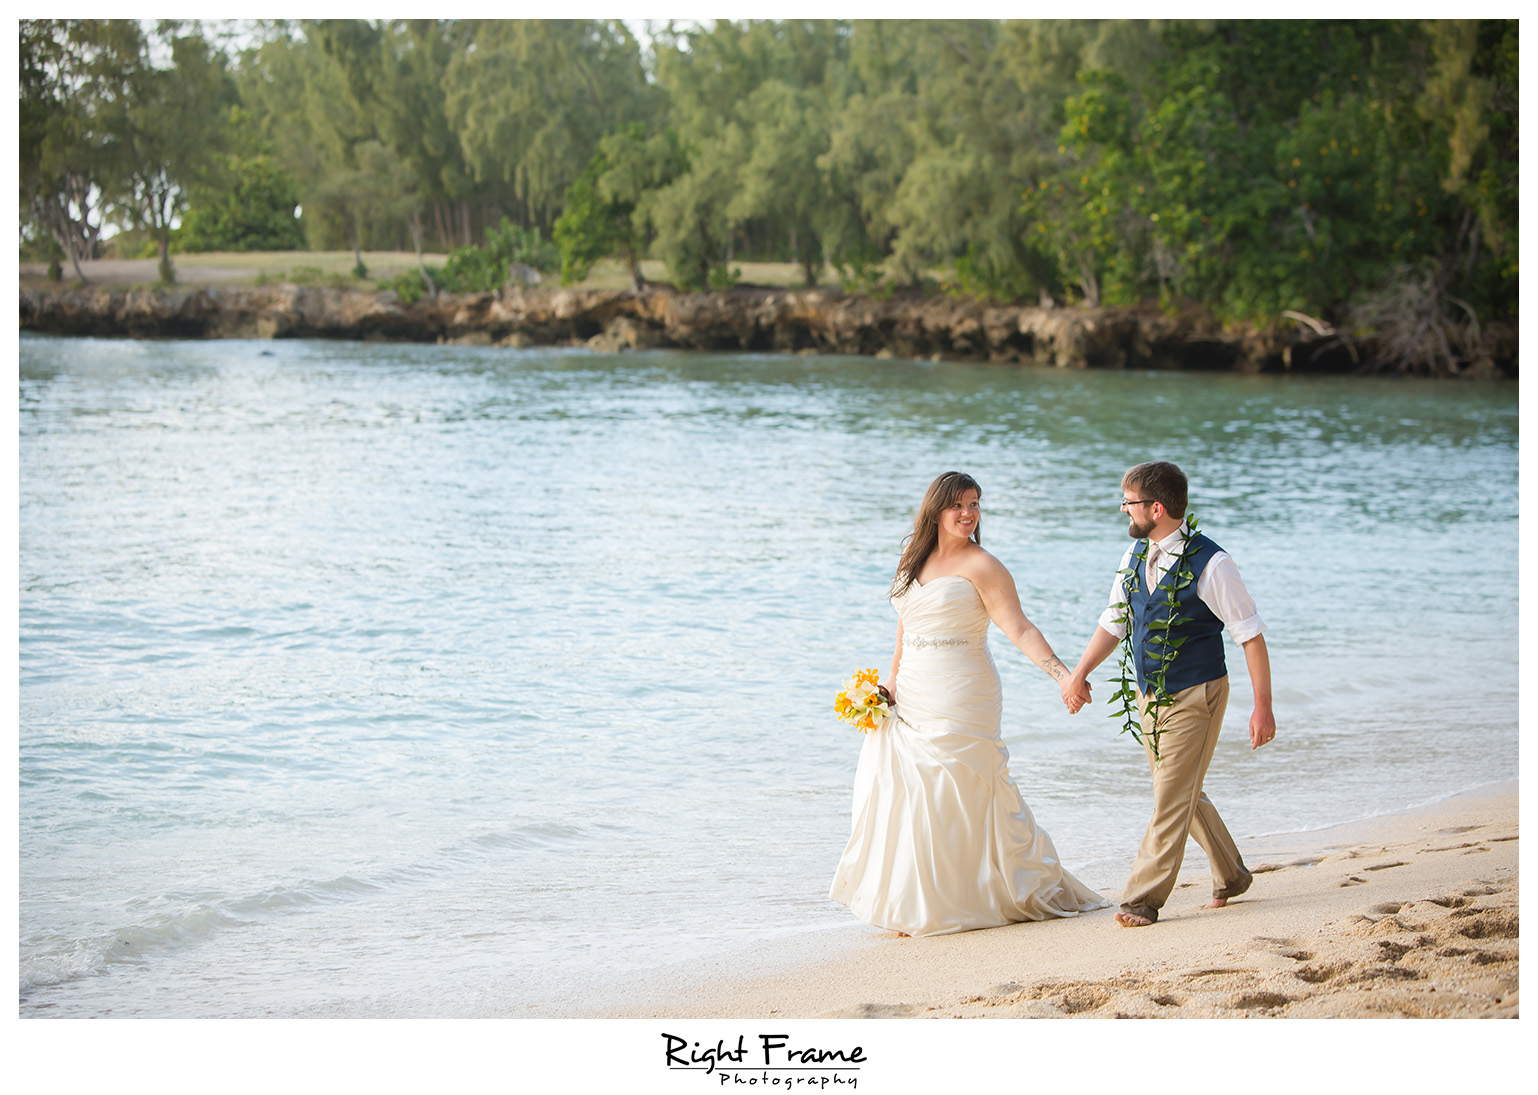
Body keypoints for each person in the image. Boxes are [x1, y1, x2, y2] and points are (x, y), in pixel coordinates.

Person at [829, 471, 1107, 936]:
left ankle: (977, 893)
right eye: (958, 505)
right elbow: (905, 630)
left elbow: (1019, 628)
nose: (968, 513)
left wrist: (1065, 676)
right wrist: (889, 685)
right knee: (910, 790)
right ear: (936, 510)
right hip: (914, 688)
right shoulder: (912, 558)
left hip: (964, 687)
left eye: (975, 504)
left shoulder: (984, 565)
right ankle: (917, 901)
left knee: (955, 784)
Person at [1061, 461, 1276, 928]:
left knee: (1170, 799)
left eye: (1129, 502)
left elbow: (1250, 635)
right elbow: (1115, 622)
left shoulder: (1212, 564)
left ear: (1155, 508)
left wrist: (1263, 707)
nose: (1124, 510)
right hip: (1150, 696)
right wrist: (1078, 674)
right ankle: (1232, 874)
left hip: (1198, 692)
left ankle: (1142, 898)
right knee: (1177, 791)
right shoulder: (1134, 557)